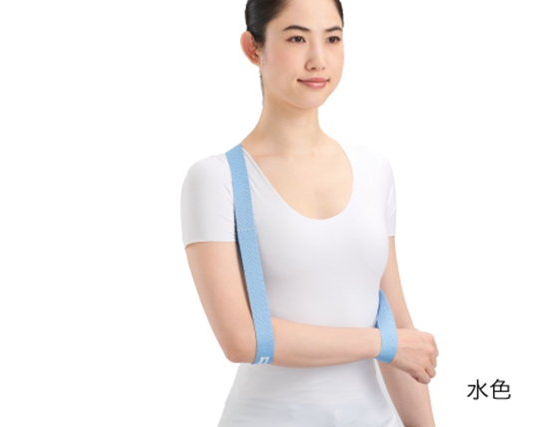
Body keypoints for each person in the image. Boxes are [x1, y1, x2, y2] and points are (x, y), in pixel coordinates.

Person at [180, 0, 438, 425]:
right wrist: (381, 344)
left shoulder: (374, 171)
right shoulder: (217, 179)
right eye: (297, 38)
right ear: (253, 48)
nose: (318, 59)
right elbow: (241, 339)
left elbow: (397, 326)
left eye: (332, 39)